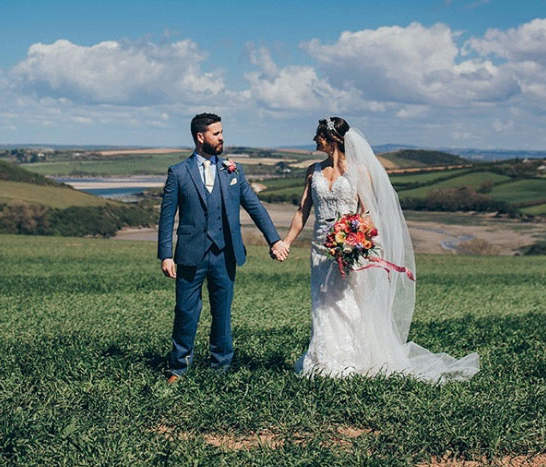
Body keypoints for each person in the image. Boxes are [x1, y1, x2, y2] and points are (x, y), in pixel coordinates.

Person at [280, 116, 479, 381]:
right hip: (320, 247)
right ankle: (323, 360)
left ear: (331, 139)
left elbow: (368, 211)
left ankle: (351, 360)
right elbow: (302, 210)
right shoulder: (312, 170)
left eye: (318, 135)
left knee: (348, 302)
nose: (314, 140)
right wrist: (287, 242)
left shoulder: (358, 171)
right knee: (322, 302)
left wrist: (355, 239)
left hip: (349, 248)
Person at [158, 113, 290, 382]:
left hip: (225, 254)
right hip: (189, 255)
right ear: (200, 137)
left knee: (222, 312)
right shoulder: (179, 172)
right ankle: (179, 368)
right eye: (216, 133)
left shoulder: (233, 170)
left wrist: (274, 240)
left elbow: (254, 206)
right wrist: (166, 254)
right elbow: (166, 216)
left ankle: (221, 368)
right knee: (185, 311)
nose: (221, 138)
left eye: (221, 132)